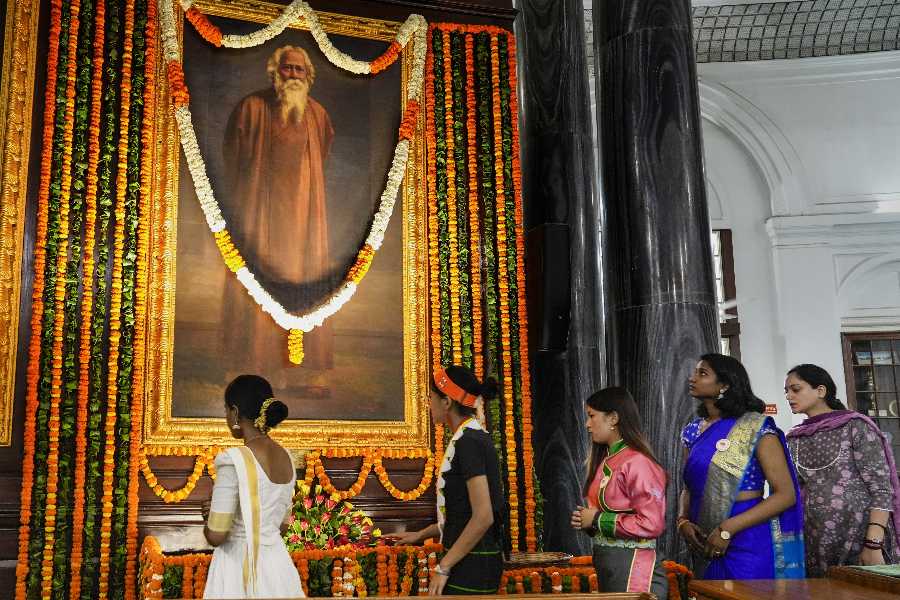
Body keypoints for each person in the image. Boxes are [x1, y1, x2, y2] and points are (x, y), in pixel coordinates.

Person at [222, 45, 334, 373]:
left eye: (300, 70)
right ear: (275, 72)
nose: (294, 76)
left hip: (304, 220)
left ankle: (306, 372)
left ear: (308, 77)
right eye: (288, 69)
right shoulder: (250, 109)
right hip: (259, 216)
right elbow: (232, 158)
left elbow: (324, 151)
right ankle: (249, 363)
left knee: (304, 279)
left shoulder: (319, 115)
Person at [678, 353, 805, 579]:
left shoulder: (755, 428)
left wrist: (728, 529)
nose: (692, 378)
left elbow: (785, 495)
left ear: (725, 385)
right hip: (704, 540)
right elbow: (687, 487)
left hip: (747, 537)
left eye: (702, 373)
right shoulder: (692, 431)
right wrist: (682, 521)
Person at [393, 365, 505, 595]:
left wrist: (444, 567)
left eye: (431, 398)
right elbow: (463, 513)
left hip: (473, 563)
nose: (428, 403)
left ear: (447, 402)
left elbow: (483, 516)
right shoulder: (468, 437)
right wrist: (422, 534)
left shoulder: (469, 442)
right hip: (469, 558)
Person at [785, 363, 900, 576]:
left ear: (821, 391)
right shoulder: (795, 438)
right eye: (786, 391)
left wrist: (873, 543)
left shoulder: (855, 426)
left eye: (796, 389)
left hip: (861, 538)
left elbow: (881, 488)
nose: (789, 396)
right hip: (815, 543)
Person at [202, 375, 303, 598]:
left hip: (238, 570)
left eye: (226, 410)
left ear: (236, 412)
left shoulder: (232, 460)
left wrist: (209, 519)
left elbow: (217, 535)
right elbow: (282, 527)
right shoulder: (287, 457)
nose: (226, 417)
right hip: (278, 569)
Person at [570, 387, 668, 597]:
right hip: (611, 565)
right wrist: (587, 521)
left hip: (634, 566)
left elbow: (652, 523)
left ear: (613, 418)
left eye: (592, 416)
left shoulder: (637, 462)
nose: (587, 424)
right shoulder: (606, 460)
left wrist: (596, 519)